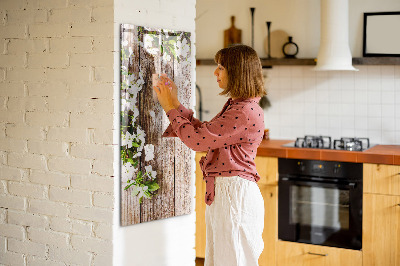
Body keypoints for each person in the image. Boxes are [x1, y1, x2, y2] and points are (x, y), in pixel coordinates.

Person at [153, 44, 267, 266]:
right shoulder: (239, 106)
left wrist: (169, 108)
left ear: (237, 72)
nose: (215, 72)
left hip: (234, 196)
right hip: (229, 194)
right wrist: (175, 103)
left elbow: (197, 141)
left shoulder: (243, 111)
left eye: (221, 67)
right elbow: (205, 133)